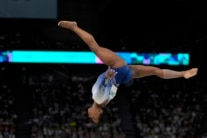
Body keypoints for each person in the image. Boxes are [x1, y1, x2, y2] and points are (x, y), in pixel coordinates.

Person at [57, 20, 198, 123]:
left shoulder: (105, 102)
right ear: (99, 111)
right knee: (95, 48)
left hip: (124, 76)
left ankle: (182, 74)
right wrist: (107, 76)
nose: (90, 115)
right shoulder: (98, 99)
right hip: (118, 69)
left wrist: (110, 78)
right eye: (94, 116)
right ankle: (74, 27)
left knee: (156, 71)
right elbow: (102, 87)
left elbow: (110, 88)